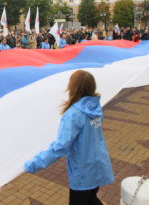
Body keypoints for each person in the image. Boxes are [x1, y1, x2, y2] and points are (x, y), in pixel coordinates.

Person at [24, 70, 114, 205]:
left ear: (73, 87)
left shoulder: (73, 114)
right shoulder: (95, 107)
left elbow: (61, 146)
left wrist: (34, 164)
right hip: (98, 164)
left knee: (85, 200)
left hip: (84, 170)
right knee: (91, 199)